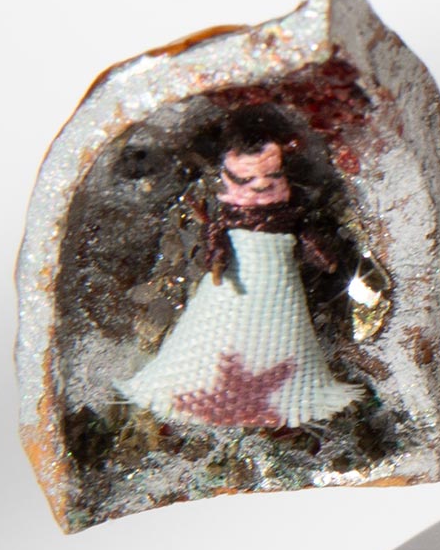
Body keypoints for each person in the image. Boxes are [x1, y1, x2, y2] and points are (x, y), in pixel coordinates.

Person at [117, 114, 364, 429]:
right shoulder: (231, 218)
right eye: (247, 181)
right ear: (229, 181)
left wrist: (324, 258)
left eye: (271, 177)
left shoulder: (285, 217)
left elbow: (305, 237)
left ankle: (287, 394)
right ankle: (188, 387)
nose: (260, 185)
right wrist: (216, 261)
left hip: (277, 283)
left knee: (283, 330)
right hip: (235, 283)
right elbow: (215, 239)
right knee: (215, 332)